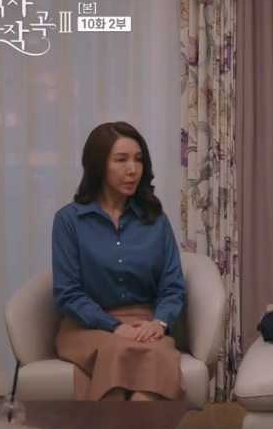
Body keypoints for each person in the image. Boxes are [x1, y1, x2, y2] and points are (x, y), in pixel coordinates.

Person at [51, 121, 187, 402]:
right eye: (121, 160)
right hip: (87, 327)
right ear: (98, 165)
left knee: (150, 367)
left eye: (139, 160)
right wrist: (114, 326)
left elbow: (172, 286)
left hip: (145, 323)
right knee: (118, 350)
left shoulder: (156, 220)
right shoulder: (69, 220)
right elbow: (68, 293)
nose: (133, 169)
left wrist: (159, 323)